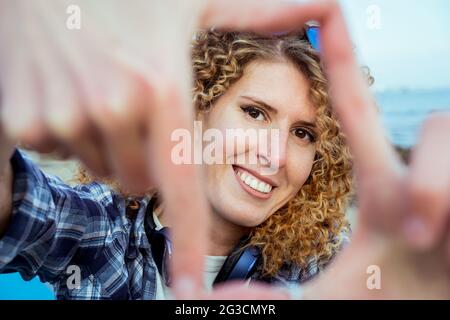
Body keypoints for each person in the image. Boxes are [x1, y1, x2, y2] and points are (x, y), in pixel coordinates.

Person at [1, 1, 449, 299]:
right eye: (255, 113)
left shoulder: (324, 266)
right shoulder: (98, 227)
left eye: (304, 134)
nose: (273, 156)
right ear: (196, 112)